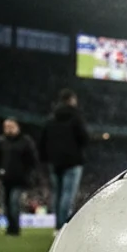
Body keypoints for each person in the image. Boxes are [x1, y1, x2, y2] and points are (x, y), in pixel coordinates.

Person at [39, 89, 89, 232]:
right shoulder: (76, 117)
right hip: (73, 161)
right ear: (71, 100)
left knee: (57, 193)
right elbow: (84, 138)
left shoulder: (51, 118)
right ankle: (63, 226)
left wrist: (46, 158)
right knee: (68, 193)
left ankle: (57, 226)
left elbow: (43, 140)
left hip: (54, 161)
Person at [0, 117, 38, 237]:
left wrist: (28, 174)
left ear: (17, 127)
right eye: (6, 127)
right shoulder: (0, 142)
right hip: (5, 179)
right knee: (5, 204)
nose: (8, 129)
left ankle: (15, 229)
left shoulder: (25, 141)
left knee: (14, 202)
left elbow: (33, 160)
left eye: (11, 127)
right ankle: (10, 227)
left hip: (20, 179)